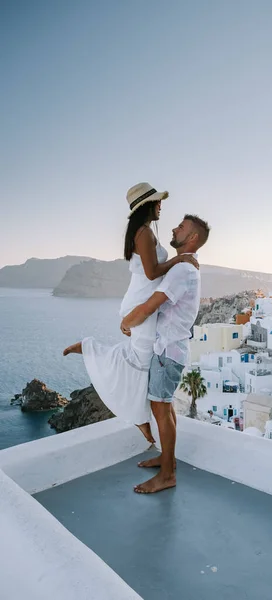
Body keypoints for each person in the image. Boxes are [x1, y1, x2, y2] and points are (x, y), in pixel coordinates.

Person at [63, 182, 198, 444]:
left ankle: (139, 417)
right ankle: (137, 414)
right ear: (147, 205)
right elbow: (152, 272)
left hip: (142, 298)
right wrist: (179, 259)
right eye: (158, 202)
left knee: (141, 360)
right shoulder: (143, 233)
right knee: (141, 360)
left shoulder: (143, 232)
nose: (161, 205)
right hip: (142, 300)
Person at [119, 214, 210, 494]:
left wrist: (127, 322)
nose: (174, 228)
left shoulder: (183, 270)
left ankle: (168, 474)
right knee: (165, 407)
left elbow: (151, 305)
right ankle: (166, 458)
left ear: (192, 238)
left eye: (181, 227)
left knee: (160, 408)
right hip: (170, 348)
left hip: (167, 350)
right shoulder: (184, 267)